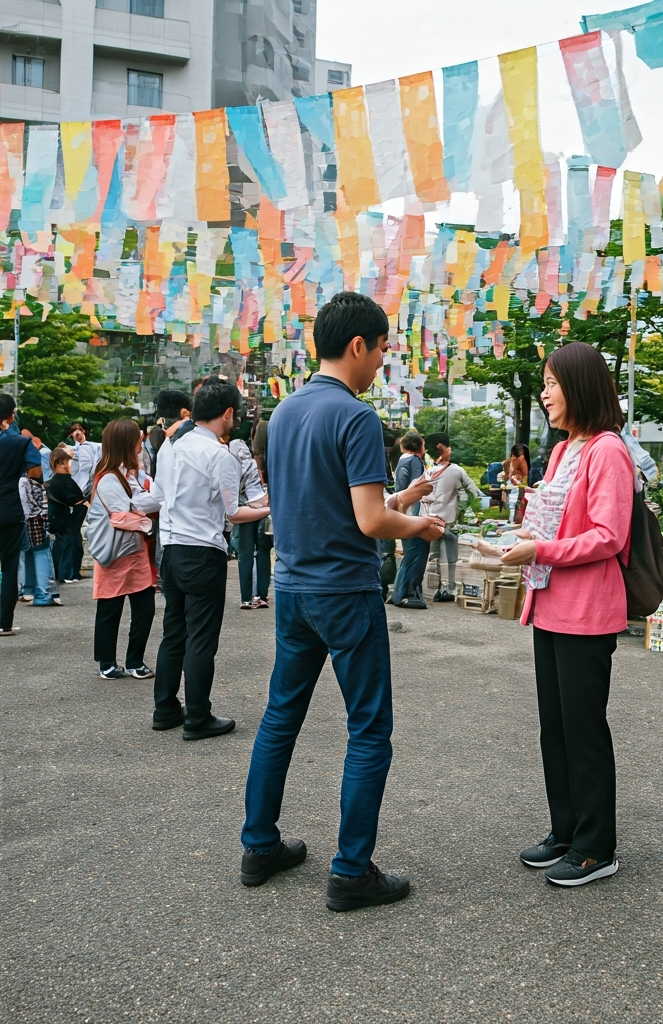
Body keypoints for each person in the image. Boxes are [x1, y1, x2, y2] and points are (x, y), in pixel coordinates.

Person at [239, 291, 444, 910]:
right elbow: (368, 522)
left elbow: (325, 504)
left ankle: (259, 845)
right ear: (358, 345)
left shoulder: (283, 414)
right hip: (346, 593)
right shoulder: (354, 417)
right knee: (368, 729)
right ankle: (351, 871)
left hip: (293, 588)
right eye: (382, 348)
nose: (383, 361)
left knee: (280, 717)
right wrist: (419, 527)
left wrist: (399, 506)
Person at [487, 342, 634, 887]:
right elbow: (556, 525)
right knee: (557, 728)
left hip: (587, 611)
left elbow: (607, 537)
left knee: (584, 730)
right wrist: (529, 539)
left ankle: (598, 847)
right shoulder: (563, 450)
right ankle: (566, 830)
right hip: (549, 606)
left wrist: (540, 550)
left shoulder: (607, 451)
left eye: (552, 383)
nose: (545, 393)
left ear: (579, 386)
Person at [151, 381, 270, 739]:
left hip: (170, 550)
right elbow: (233, 513)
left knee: (174, 632)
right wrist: (269, 508)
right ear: (228, 413)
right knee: (202, 638)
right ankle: (198, 717)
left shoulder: (170, 448)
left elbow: (157, 496)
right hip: (203, 552)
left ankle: (165, 708)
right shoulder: (220, 456)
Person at [90, 418, 162, 680]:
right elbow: (122, 515)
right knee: (111, 610)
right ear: (127, 442)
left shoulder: (127, 473)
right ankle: (107, 662)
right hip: (117, 554)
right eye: (137, 437)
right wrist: (148, 524)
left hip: (133, 552)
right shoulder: (109, 478)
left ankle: (134, 660)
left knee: (144, 608)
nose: (141, 440)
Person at [419, 431, 484, 601]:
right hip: (449, 522)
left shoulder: (426, 472)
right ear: (443, 448)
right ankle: (450, 589)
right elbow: (474, 493)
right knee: (451, 559)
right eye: (449, 447)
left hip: (430, 522)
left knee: (433, 558)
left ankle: (434, 590)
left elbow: (421, 496)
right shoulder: (456, 470)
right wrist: (462, 507)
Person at [0, 395, 42, 636]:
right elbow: (35, 472)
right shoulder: (19, 442)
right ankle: (4, 622)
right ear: (10, 415)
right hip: (8, 509)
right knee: (9, 567)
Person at [225, 436, 270, 610]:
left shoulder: (231, 465)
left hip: (243, 512)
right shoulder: (252, 464)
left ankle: (246, 598)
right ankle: (261, 596)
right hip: (260, 508)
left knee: (245, 555)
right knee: (262, 551)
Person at [389, 432, 429, 609]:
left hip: (405, 513)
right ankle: (405, 593)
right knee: (416, 554)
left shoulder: (401, 462)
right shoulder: (414, 462)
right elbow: (417, 490)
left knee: (411, 554)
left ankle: (400, 591)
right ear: (420, 447)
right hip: (414, 514)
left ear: (403, 446)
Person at [19, 470, 61, 607]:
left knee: (27, 555)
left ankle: (28, 590)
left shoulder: (20, 480)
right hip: (35, 521)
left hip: (24, 522)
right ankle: (43, 593)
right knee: (42, 553)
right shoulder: (27, 482)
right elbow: (28, 505)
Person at [48, 447, 87, 585]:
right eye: (69, 462)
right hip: (68, 522)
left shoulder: (53, 481)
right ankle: (69, 573)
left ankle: (61, 572)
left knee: (61, 544)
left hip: (58, 521)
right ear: (62, 463)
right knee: (71, 542)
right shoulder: (64, 481)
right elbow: (77, 500)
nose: (71, 465)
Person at [68, 422, 102, 580]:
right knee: (74, 531)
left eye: (79, 430)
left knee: (78, 530)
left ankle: (75, 569)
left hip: (90, 493)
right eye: (74, 431)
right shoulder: (71, 452)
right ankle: (73, 569)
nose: (77, 433)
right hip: (77, 495)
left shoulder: (94, 448)